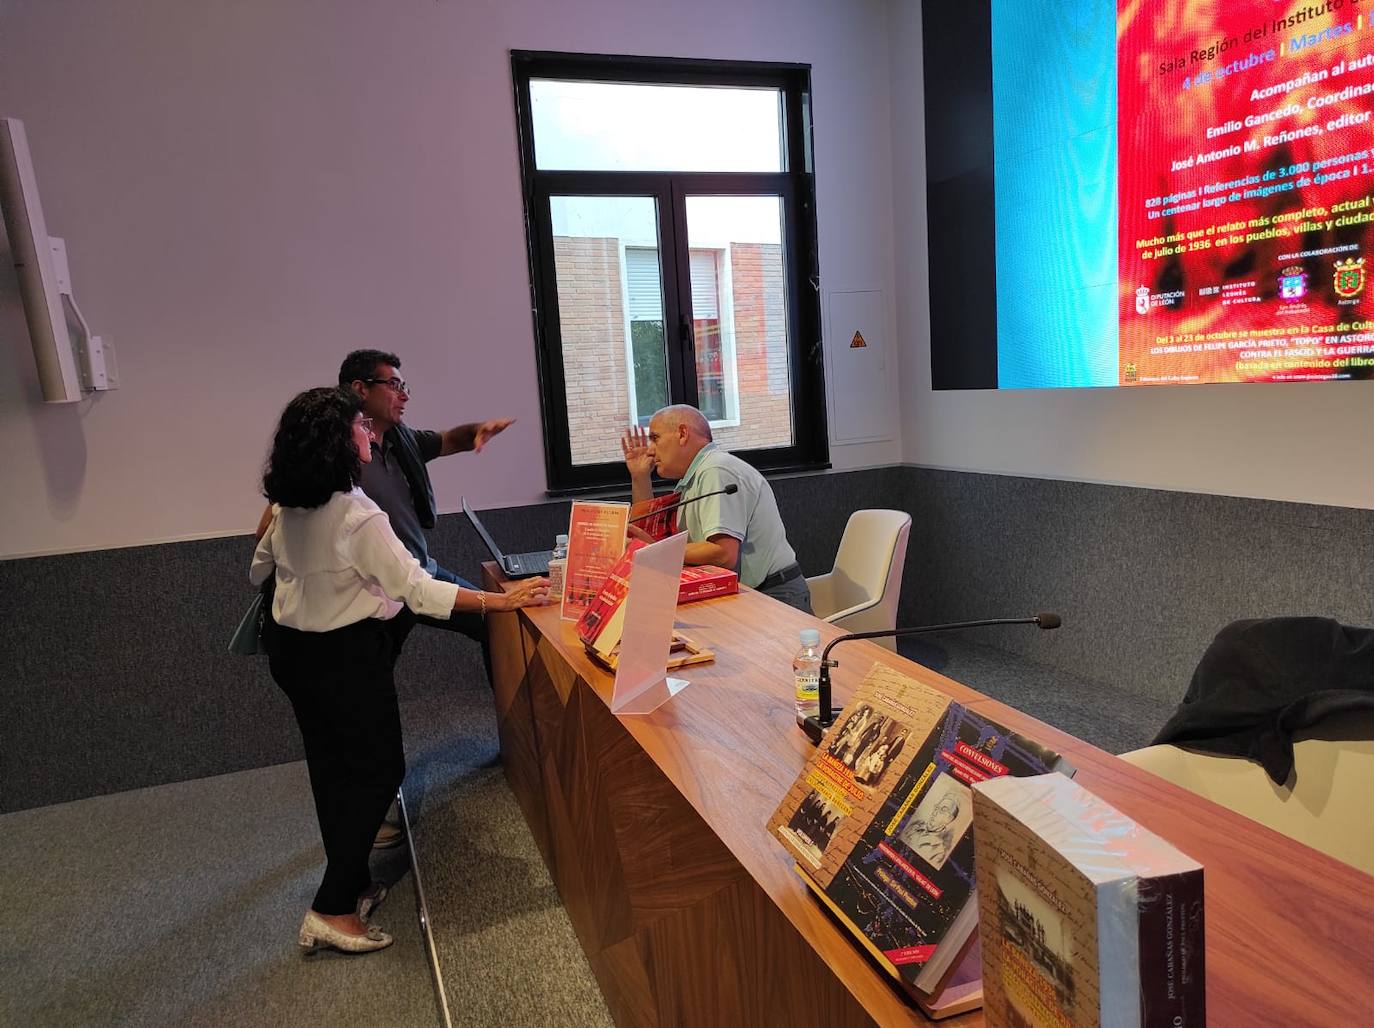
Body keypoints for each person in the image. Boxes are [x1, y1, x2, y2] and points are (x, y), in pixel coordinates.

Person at [252, 386, 547, 954]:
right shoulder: (358, 514)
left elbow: (257, 569)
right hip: (345, 656)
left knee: (331, 765)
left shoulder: (289, 506)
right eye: (360, 427)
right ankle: (332, 907)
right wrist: (500, 603)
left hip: (292, 654)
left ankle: (356, 881)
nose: (369, 434)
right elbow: (416, 588)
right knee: (380, 769)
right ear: (340, 442)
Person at [619, 405, 812, 612]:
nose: (650, 450)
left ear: (683, 434)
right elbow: (649, 533)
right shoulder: (696, 475)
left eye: (655, 438)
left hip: (773, 597)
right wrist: (640, 477)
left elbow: (723, 553)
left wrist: (659, 550)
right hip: (741, 594)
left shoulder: (716, 470)